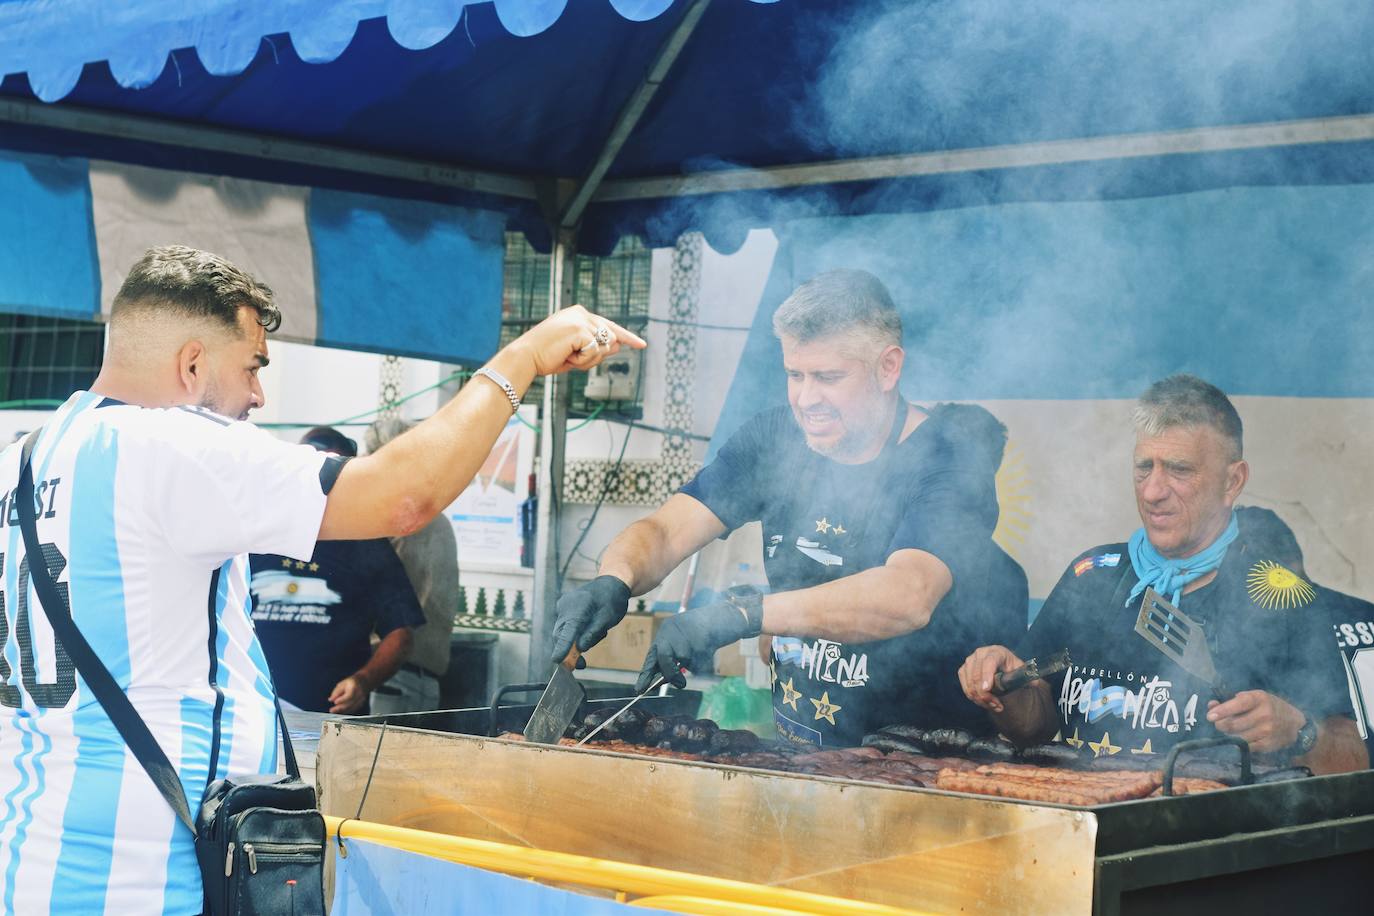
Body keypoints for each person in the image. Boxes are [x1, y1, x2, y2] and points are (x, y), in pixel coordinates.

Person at [0, 244, 643, 912]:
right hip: (142, 888)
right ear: (192, 364)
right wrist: (525, 358)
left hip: (29, 869)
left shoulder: (19, 463)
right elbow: (404, 497)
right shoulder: (167, 447)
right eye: (252, 366)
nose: (258, 395)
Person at [551, 268, 1027, 748]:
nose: (807, 398)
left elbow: (908, 595)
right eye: (795, 375)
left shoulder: (950, 457)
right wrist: (614, 578)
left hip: (925, 768)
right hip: (798, 758)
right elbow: (667, 530)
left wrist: (741, 615)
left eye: (829, 377)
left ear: (888, 367)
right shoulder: (773, 440)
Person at [959, 374, 1367, 774]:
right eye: (1144, 467)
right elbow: (1035, 725)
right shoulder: (1092, 574)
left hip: (1214, 817)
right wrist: (1006, 692)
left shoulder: (1283, 598)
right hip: (1084, 810)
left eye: (1179, 469)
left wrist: (1300, 731)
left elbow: (1356, 762)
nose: (1152, 492)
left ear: (1232, 481)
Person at [248, 426, 424, 715]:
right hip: (253, 710)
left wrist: (363, 681)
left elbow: (400, 633)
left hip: (331, 719)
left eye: (333, 476)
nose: (323, 483)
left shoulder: (365, 541)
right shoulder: (259, 533)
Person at [364, 417, 462, 714]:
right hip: (408, 679)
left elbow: (385, 611)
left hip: (396, 677)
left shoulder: (407, 519)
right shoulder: (429, 517)